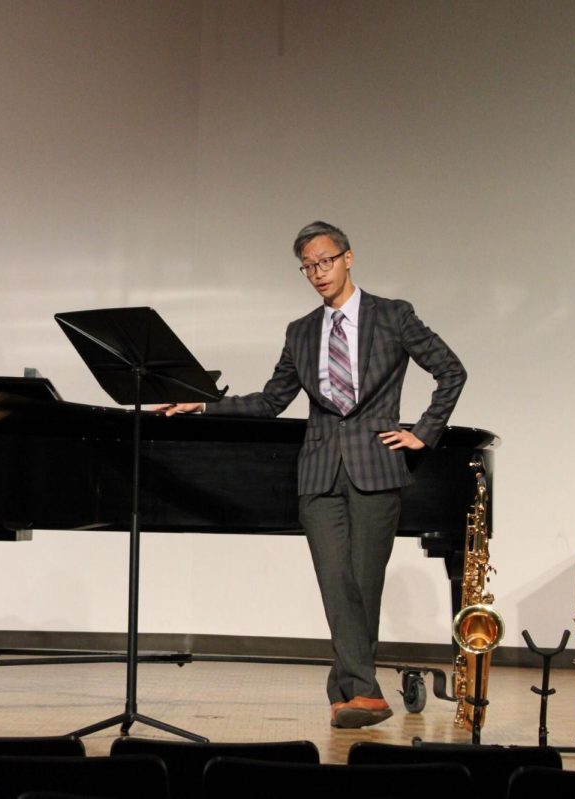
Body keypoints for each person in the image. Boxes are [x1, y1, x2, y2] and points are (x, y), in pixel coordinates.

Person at [162, 221, 466, 728]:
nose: (318, 273)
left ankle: (349, 689)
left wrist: (424, 432)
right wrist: (206, 406)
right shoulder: (301, 331)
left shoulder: (393, 315)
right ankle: (360, 692)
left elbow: (450, 369)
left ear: (348, 258)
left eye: (325, 261)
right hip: (319, 473)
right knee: (334, 581)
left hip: (375, 469)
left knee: (363, 584)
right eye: (308, 266)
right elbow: (271, 400)